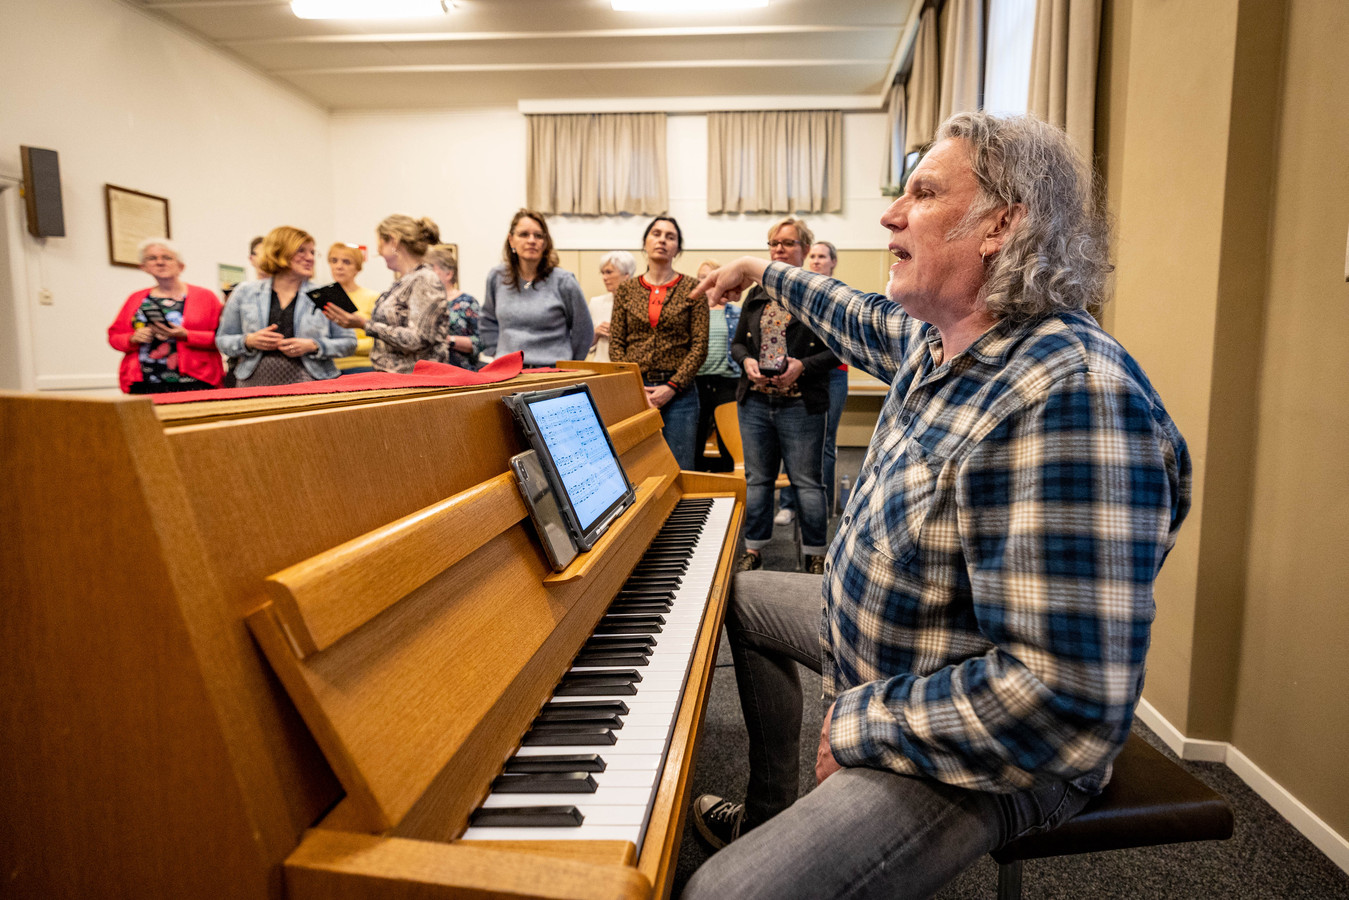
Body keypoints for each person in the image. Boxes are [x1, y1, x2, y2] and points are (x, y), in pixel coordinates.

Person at [682, 112, 1192, 900]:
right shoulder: (940, 340)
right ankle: (768, 811)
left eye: (920, 193)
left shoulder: (1068, 398)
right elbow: (855, 313)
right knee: (741, 596)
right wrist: (761, 268)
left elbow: (1062, 701)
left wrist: (859, 727)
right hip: (893, 655)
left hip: (992, 742)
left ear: (1002, 224)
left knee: (728, 894)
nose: (888, 215)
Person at [730, 218, 838, 575]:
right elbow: (738, 343)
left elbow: (838, 350)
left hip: (801, 404)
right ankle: (754, 549)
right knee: (758, 481)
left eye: (788, 243)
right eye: (774, 243)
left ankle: (815, 554)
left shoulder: (820, 292)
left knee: (807, 483)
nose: (778, 249)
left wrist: (802, 366)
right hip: (757, 403)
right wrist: (746, 360)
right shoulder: (756, 292)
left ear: (805, 250)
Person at [608, 216, 708, 470]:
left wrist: (672, 386)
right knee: (634, 466)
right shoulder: (627, 290)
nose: (662, 240)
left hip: (679, 394)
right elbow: (617, 343)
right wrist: (635, 385)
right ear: (645, 242)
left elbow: (699, 345)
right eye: (656, 233)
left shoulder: (694, 289)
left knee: (680, 466)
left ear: (678, 248)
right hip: (634, 391)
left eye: (670, 236)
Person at [216, 226, 355, 386]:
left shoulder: (328, 293)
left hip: (312, 383)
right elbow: (223, 340)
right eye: (301, 251)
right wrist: (249, 341)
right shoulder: (244, 292)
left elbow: (349, 343)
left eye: (312, 252)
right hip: (254, 384)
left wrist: (314, 345)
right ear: (279, 252)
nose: (310, 258)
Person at [776, 239, 848, 519]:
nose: (816, 261)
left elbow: (842, 346)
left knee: (825, 442)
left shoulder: (840, 295)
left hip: (832, 376)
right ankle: (788, 505)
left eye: (822, 256)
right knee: (790, 438)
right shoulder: (798, 293)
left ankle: (823, 504)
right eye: (813, 256)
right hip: (800, 374)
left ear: (833, 262)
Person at [322, 215, 449, 374]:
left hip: (414, 380)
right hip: (393, 378)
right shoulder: (405, 281)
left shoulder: (424, 279)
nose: (379, 252)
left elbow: (418, 338)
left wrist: (364, 324)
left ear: (393, 241)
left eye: (380, 245)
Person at [107, 238, 224, 394]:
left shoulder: (205, 297)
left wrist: (187, 335)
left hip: (195, 379)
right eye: (152, 258)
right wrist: (133, 338)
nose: (160, 262)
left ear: (181, 266)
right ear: (143, 267)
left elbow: (225, 338)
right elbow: (114, 337)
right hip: (144, 381)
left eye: (167, 257)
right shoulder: (136, 298)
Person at [482, 209, 593, 367]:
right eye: (524, 234)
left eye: (538, 235)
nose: (531, 240)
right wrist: (495, 353)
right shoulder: (497, 277)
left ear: (545, 243)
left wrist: (568, 365)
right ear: (511, 240)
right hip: (509, 371)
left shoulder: (564, 281)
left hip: (552, 373)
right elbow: (487, 321)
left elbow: (584, 331)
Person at [693, 258, 741, 473]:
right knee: (695, 435)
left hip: (728, 381)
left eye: (711, 277)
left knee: (728, 440)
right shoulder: (691, 312)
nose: (706, 282)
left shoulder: (735, 313)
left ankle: (729, 483)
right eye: (701, 278)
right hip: (696, 381)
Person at [326, 242, 380, 374]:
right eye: (334, 261)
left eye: (346, 262)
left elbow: (381, 339)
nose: (339, 266)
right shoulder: (320, 296)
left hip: (361, 367)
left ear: (357, 268)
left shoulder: (373, 298)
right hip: (325, 368)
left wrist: (345, 346)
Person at [425, 243, 482, 369]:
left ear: (449, 274)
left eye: (431, 269)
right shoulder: (424, 303)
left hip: (461, 374)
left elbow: (480, 342)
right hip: (429, 374)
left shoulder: (467, 302)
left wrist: (448, 340)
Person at [586, 250, 637, 362]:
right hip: (602, 369)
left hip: (629, 368)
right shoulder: (596, 303)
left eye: (609, 272)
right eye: (603, 273)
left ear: (626, 275)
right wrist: (596, 333)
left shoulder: (639, 303)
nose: (604, 277)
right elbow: (585, 346)